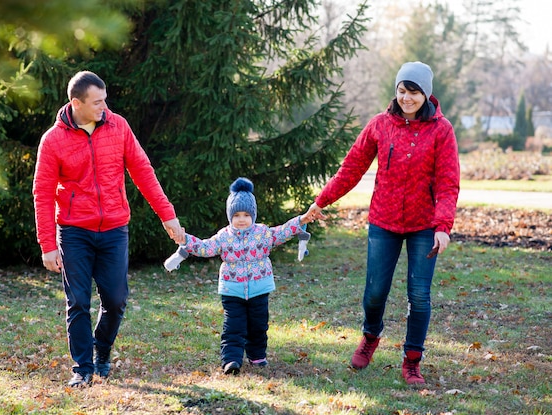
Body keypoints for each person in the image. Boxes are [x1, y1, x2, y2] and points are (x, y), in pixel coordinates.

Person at [304, 61, 460, 384]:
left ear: (426, 95)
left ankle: (412, 359)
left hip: (424, 225)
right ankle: (371, 336)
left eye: (413, 92)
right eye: (402, 91)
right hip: (384, 222)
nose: (406, 98)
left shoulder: (442, 131)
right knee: (375, 293)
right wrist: (321, 200)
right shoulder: (380, 125)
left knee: (419, 295)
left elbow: (448, 182)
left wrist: (443, 226)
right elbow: (351, 169)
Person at [32, 71, 185, 387]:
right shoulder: (53, 140)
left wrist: (167, 215)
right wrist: (47, 243)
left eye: (105, 100)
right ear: (77, 103)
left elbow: (143, 171)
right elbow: (43, 192)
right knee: (77, 302)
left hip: (115, 228)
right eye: (97, 102)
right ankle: (82, 368)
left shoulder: (119, 127)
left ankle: (101, 350)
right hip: (74, 231)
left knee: (115, 300)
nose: (104, 106)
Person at [167, 177, 312, 375]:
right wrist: (185, 240)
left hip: (259, 288)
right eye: (236, 215)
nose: (241, 219)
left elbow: (283, 231)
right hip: (232, 290)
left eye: (246, 214)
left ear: (253, 214)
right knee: (233, 327)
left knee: (258, 325)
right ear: (230, 216)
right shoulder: (224, 236)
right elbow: (205, 247)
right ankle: (231, 360)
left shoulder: (263, 233)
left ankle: (257, 355)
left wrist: (302, 220)